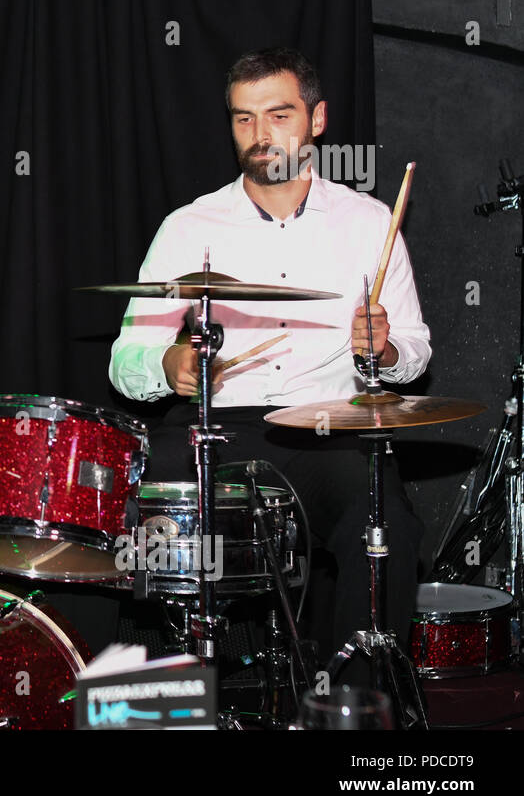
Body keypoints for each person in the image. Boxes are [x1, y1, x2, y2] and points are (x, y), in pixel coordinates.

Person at [109, 47, 431, 672]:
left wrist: (385, 347)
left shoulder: (368, 223)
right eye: (243, 118)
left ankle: (354, 703)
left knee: (389, 530)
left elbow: (415, 353)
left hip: (327, 430)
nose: (260, 135)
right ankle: (156, 696)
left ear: (316, 120)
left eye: (278, 115)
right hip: (217, 426)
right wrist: (165, 365)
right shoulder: (187, 226)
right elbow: (125, 357)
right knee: (123, 521)